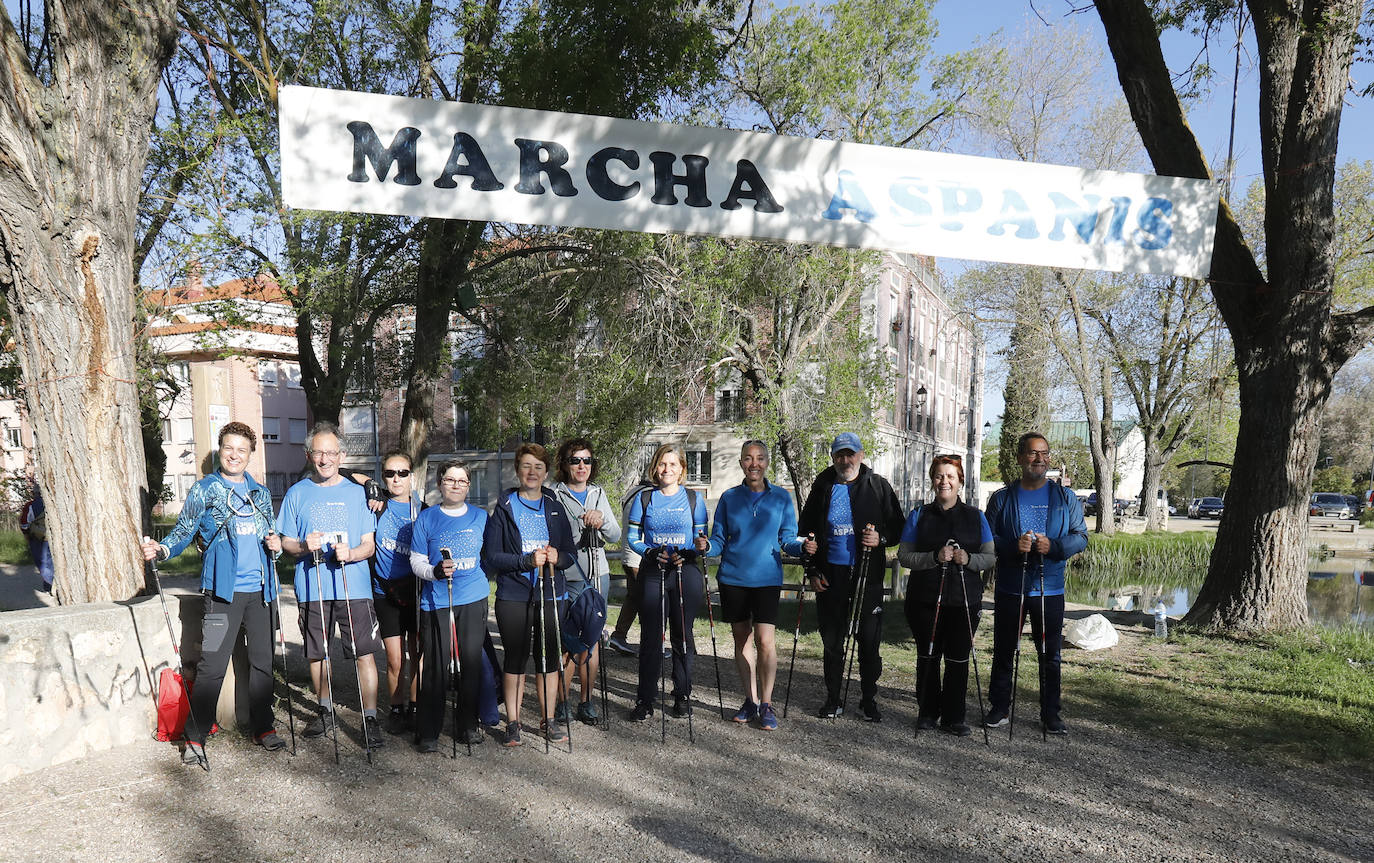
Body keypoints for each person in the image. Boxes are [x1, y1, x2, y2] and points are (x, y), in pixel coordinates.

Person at [140, 421, 285, 766]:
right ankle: (195, 735)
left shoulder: (261, 493)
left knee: (263, 665)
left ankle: (262, 727)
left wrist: (277, 546)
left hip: (262, 594)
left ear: (251, 455)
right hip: (222, 595)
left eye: (242, 450)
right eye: (229, 448)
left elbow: (273, 540)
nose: (235, 455)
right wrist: (161, 550)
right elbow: (184, 531)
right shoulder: (205, 490)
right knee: (212, 666)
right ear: (221, 450)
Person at [276, 421, 384, 750]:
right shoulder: (297, 493)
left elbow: (370, 545)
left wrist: (351, 553)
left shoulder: (358, 494)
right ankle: (324, 711)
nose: (325, 459)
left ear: (342, 455)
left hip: (354, 588)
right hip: (313, 586)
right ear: (309, 456)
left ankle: (370, 717)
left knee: (364, 654)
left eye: (331, 453)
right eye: (319, 453)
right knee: (317, 654)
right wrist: (303, 546)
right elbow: (286, 543)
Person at [982, 432, 1088, 736]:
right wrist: (1013, 546)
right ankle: (999, 707)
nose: (1039, 459)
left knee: (1049, 653)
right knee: (1004, 649)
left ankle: (1050, 713)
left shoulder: (1065, 498)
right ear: (1020, 458)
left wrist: (1053, 547)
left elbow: (1081, 537)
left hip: (1050, 589)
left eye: (1044, 454)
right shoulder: (1002, 498)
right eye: (1032, 453)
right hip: (1011, 588)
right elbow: (987, 539)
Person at [799, 432, 903, 722]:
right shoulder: (823, 485)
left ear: (861, 455)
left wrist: (880, 538)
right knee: (832, 641)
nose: (845, 460)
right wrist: (811, 569)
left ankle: (868, 699)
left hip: (866, 575)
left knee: (869, 641)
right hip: (831, 574)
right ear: (833, 457)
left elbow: (899, 529)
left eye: (850, 454)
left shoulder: (878, 486)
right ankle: (834, 698)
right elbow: (805, 530)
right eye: (839, 455)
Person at [704, 440, 803, 731]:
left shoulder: (782, 498)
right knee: (742, 640)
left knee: (765, 641)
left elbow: (788, 538)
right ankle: (750, 699)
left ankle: (766, 704)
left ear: (767, 462)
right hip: (733, 578)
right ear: (741, 464)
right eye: (748, 458)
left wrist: (803, 548)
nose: (754, 464)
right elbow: (718, 540)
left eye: (759, 458)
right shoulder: (729, 497)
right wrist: (706, 545)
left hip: (767, 579)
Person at [482, 443, 577, 747]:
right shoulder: (505, 506)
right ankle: (513, 722)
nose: (532, 472)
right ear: (517, 470)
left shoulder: (555, 505)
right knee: (515, 658)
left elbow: (570, 554)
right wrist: (524, 560)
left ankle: (548, 719)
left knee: (548, 659)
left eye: (538, 467)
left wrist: (556, 556)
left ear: (546, 472)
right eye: (526, 466)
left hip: (550, 592)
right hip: (514, 594)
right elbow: (492, 557)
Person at [896, 455, 995, 737]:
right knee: (928, 655)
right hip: (925, 599)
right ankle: (927, 712)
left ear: (960, 481)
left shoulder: (976, 517)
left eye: (950, 476)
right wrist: (934, 557)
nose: (945, 481)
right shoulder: (919, 515)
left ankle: (954, 717)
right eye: (939, 476)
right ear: (932, 480)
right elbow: (904, 556)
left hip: (964, 599)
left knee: (958, 659)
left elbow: (989, 558)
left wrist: (969, 559)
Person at [625, 443, 710, 722]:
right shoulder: (645, 499)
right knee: (651, 637)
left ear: (682, 469)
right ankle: (645, 699)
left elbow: (701, 539)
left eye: (673, 464)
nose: (667, 469)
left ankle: (682, 694)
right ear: (655, 467)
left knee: (682, 636)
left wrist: (697, 548)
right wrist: (650, 552)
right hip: (653, 570)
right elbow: (633, 538)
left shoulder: (694, 499)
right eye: (662, 464)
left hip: (685, 572)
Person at [409, 460, 488, 753]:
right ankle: (429, 730)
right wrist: (434, 572)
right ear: (440, 484)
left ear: (468, 486)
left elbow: (489, 555)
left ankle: (467, 725)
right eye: (450, 480)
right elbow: (416, 560)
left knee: (471, 663)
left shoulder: (481, 516)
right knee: (436, 668)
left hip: (473, 596)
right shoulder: (427, 518)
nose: (455, 485)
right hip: (437, 600)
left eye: (462, 481)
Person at [551, 438, 622, 725]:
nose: (582, 466)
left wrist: (601, 518)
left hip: (597, 576)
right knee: (568, 642)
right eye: (575, 460)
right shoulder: (553, 494)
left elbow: (616, 535)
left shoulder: (598, 493)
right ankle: (563, 701)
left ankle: (587, 701)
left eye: (587, 461)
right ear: (564, 465)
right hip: (567, 577)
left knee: (591, 642)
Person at [370, 451, 423, 735]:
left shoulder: (423, 510)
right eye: (390, 473)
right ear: (383, 478)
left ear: (411, 475)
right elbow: (342, 471)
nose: (396, 478)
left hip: (414, 591)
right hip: (384, 591)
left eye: (402, 473)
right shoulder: (376, 506)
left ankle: (414, 706)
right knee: (394, 658)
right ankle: (395, 707)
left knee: (416, 653)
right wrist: (369, 485)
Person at [606, 469, 655, 657]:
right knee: (648, 601)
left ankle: (619, 636)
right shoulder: (645, 496)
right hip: (639, 558)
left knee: (634, 598)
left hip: (630, 556)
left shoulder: (633, 493)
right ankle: (650, 642)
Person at [20, 489, 52, 594]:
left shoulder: (31, 506)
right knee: (52, 561)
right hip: (54, 536)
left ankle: (49, 585)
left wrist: (26, 534)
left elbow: (24, 523)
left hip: (38, 538)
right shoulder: (53, 502)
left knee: (42, 562)